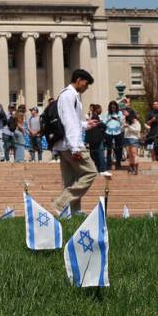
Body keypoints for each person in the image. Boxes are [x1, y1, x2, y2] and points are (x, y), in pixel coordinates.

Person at [52, 69, 100, 214]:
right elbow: (69, 121)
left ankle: (73, 211)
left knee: (71, 180)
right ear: (79, 80)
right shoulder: (69, 95)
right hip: (71, 144)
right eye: (86, 84)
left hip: (64, 144)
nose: (86, 87)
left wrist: (85, 124)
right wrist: (75, 148)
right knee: (91, 172)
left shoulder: (69, 95)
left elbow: (72, 120)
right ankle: (61, 203)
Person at [103, 101, 124, 170]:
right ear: (110, 107)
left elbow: (122, 122)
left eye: (114, 106)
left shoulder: (120, 113)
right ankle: (108, 164)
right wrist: (110, 118)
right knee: (109, 149)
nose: (113, 108)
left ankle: (118, 163)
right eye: (112, 106)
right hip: (108, 132)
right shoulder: (106, 113)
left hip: (118, 132)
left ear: (116, 107)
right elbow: (103, 122)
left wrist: (118, 119)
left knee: (118, 148)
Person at [86, 104, 106, 172]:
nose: (101, 110)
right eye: (100, 109)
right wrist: (104, 126)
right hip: (96, 138)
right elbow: (101, 125)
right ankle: (102, 169)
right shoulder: (95, 116)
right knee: (100, 153)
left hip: (92, 138)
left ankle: (97, 168)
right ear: (97, 109)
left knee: (94, 154)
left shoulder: (91, 116)